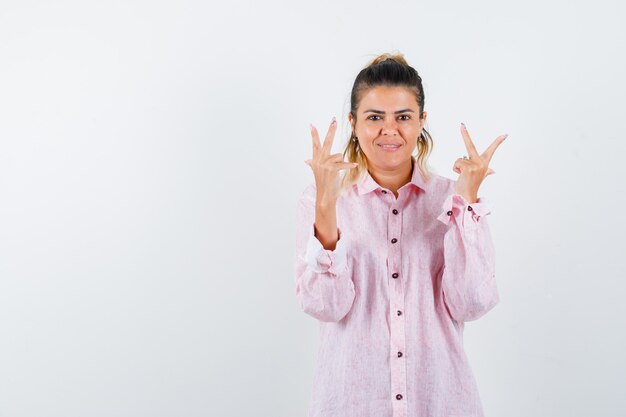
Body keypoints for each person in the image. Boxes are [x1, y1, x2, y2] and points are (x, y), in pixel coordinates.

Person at [294, 52, 508, 417]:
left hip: (439, 401)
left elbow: (471, 304)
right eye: (374, 117)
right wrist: (327, 210)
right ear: (353, 122)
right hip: (351, 403)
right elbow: (325, 306)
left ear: (421, 122)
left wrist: (467, 201)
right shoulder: (321, 200)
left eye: (403, 117)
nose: (389, 130)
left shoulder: (451, 199)